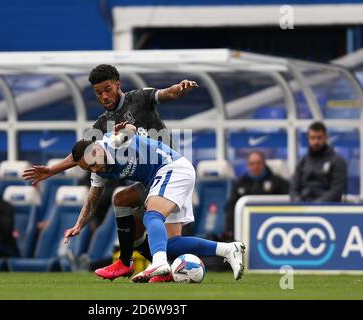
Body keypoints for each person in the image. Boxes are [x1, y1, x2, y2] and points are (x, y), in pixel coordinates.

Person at [23, 64, 199, 279]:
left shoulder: (139, 98)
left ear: (118, 85)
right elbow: (81, 154)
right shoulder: (102, 123)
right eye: (98, 93)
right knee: (137, 231)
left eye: (107, 89)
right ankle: (160, 267)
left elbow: (166, 94)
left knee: (127, 205)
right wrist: (52, 169)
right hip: (149, 180)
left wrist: (179, 89)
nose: (104, 96)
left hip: (168, 171)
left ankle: (144, 265)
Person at [63, 122, 245, 283]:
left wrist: (124, 130)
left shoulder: (112, 143)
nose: (95, 170)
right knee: (168, 240)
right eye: (89, 169)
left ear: (97, 150)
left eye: (93, 164)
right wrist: (79, 225)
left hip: (171, 168)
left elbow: (130, 130)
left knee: (152, 215)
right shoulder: (98, 170)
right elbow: (92, 199)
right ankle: (228, 249)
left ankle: (158, 263)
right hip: (157, 178)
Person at [223, 151, 289, 240]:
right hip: (245, 228)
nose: (255, 167)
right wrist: (229, 229)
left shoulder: (277, 182)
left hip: (271, 228)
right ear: (248, 165)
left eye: (258, 163)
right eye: (252, 164)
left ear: (263, 164)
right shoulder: (240, 183)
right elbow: (231, 207)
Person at [290, 121, 347, 202]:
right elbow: (293, 188)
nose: (316, 141)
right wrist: (298, 202)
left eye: (319, 137)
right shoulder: (303, 161)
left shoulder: (337, 161)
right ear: (308, 138)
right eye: (312, 138)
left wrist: (317, 206)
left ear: (325, 137)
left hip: (328, 209)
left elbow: (337, 190)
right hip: (303, 208)